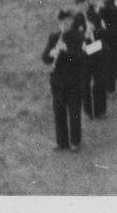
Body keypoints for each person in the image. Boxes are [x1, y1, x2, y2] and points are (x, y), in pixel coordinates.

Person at [42, 8, 86, 151]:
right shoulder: (54, 37)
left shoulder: (79, 36)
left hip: (74, 82)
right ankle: (61, 143)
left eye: (66, 22)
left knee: (74, 113)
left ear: (71, 22)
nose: (63, 25)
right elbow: (45, 58)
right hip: (57, 82)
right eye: (61, 22)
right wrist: (51, 53)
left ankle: (75, 142)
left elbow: (81, 57)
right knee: (59, 112)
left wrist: (66, 51)